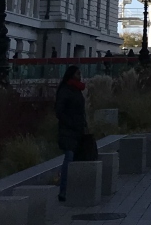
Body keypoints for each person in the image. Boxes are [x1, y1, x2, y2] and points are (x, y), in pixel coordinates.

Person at [55, 64, 88, 202]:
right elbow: (59, 111)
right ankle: (63, 191)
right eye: (78, 73)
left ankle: (74, 189)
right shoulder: (65, 90)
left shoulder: (77, 90)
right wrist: (70, 123)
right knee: (69, 158)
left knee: (76, 158)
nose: (80, 76)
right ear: (71, 75)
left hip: (78, 130)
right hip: (68, 130)